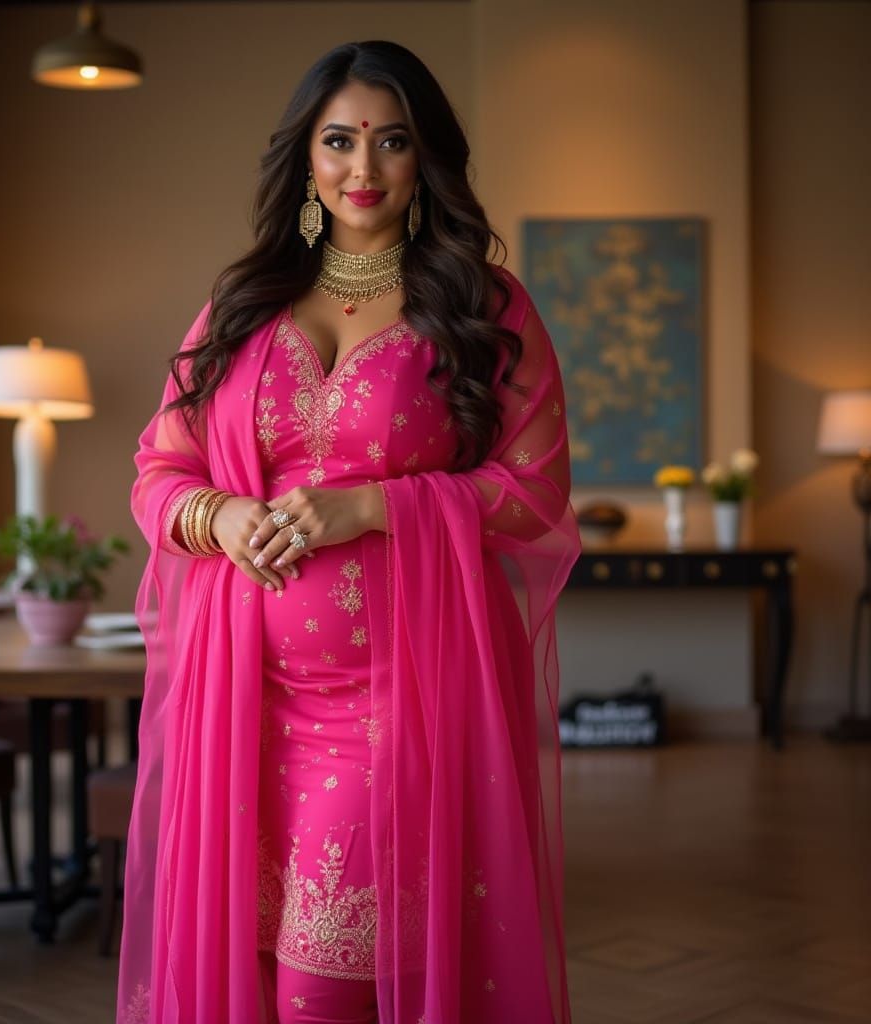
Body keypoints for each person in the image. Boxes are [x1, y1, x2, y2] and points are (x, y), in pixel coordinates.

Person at [118, 40, 580, 1024]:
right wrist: (223, 513)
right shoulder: (240, 308)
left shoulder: (482, 308)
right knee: (249, 976)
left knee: (318, 994)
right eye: (338, 141)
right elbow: (159, 472)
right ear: (306, 157)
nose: (361, 170)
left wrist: (376, 502)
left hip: (400, 701)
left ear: (426, 161)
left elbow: (534, 490)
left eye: (391, 142)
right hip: (239, 703)